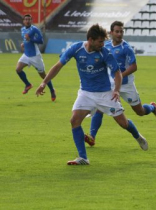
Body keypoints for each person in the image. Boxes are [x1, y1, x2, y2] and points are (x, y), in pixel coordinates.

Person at [35, 24, 148, 165]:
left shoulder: (105, 53)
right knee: (74, 120)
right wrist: (44, 83)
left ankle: (137, 136)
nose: (103, 44)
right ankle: (83, 158)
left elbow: (117, 73)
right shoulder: (76, 48)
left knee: (123, 123)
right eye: (100, 41)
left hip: (105, 94)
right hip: (86, 93)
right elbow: (58, 65)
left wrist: (117, 90)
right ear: (91, 40)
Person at [85, 21, 156, 147]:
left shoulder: (126, 48)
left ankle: (153, 108)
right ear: (111, 33)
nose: (120, 34)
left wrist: (120, 76)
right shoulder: (105, 46)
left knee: (140, 111)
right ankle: (92, 137)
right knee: (100, 109)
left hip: (126, 85)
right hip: (110, 85)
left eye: (121, 31)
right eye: (117, 31)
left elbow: (134, 66)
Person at [16, 14, 56, 101]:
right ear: (23, 21)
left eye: (29, 19)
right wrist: (24, 44)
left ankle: (52, 90)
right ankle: (28, 84)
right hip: (26, 54)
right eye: (26, 19)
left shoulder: (34, 29)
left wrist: (31, 40)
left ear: (31, 20)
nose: (27, 21)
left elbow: (41, 41)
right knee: (18, 69)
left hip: (35, 56)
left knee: (43, 76)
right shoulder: (22, 29)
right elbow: (25, 39)